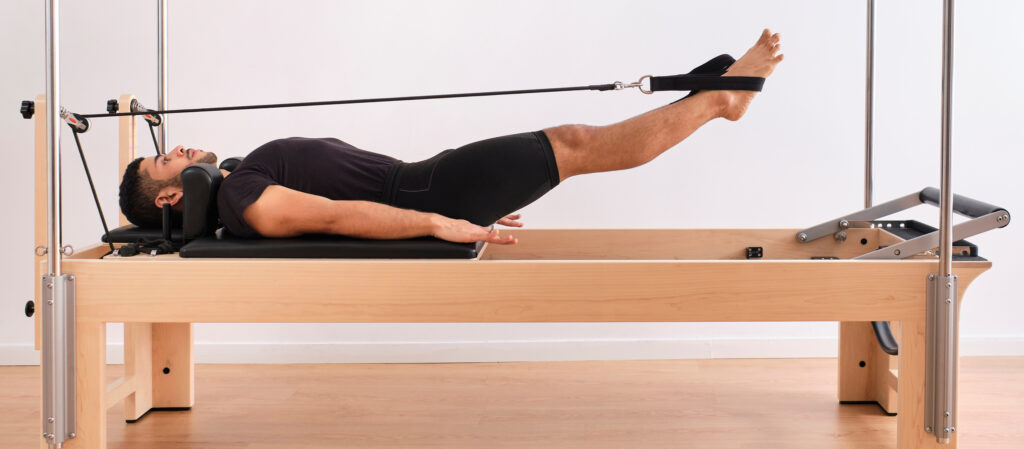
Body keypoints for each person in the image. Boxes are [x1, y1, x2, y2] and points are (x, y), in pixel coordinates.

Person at [119, 29, 783, 245]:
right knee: (578, 143)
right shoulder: (242, 199)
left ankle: (713, 98)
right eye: (163, 160)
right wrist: (438, 222)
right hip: (430, 190)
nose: (176, 148)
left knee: (573, 144)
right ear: (173, 198)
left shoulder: (238, 174)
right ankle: (720, 100)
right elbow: (338, 215)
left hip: (431, 179)